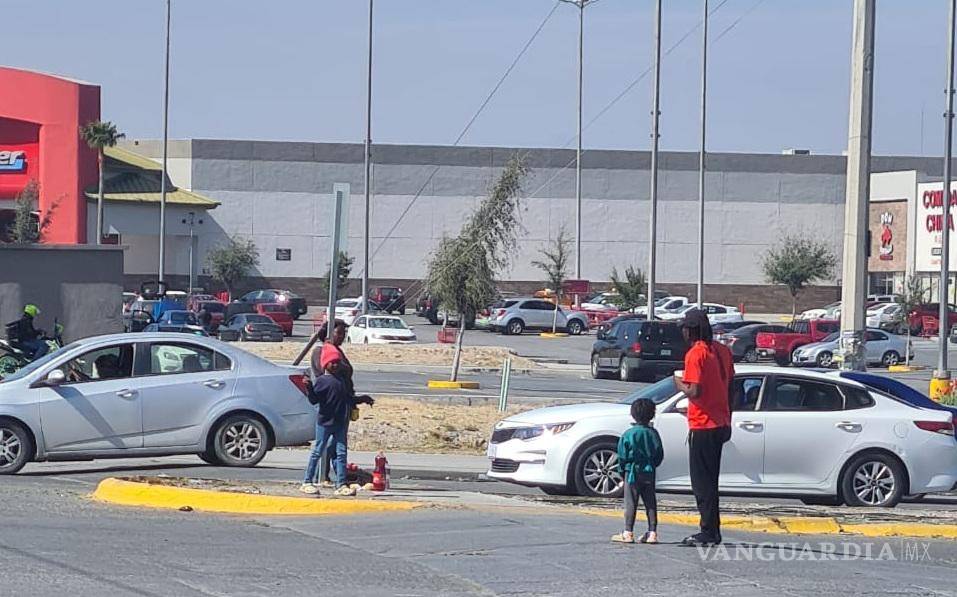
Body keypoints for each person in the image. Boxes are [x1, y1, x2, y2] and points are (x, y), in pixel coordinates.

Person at [673, 308, 733, 547]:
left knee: (702, 483)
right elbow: (731, 387)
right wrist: (729, 418)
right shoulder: (722, 351)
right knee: (712, 481)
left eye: (685, 328)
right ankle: (712, 529)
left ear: (691, 330)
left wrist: (677, 383)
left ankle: (708, 530)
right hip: (720, 422)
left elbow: (694, 391)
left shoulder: (695, 354)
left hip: (703, 424)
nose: (684, 333)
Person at [300, 347, 373, 496]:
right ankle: (307, 481)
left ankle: (341, 484)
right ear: (325, 364)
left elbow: (348, 399)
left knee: (341, 453)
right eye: (332, 362)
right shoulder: (322, 381)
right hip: (325, 423)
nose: (335, 365)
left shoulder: (341, 381)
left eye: (337, 362)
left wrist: (363, 399)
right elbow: (314, 400)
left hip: (340, 423)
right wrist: (309, 387)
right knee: (317, 451)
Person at [611, 398, 663, 544]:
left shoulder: (628, 434)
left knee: (630, 502)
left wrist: (622, 470)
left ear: (633, 414)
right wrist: (652, 464)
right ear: (652, 414)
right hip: (649, 471)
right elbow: (659, 454)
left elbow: (622, 455)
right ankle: (652, 532)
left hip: (632, 472)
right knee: (650, 502)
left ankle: (628, 532)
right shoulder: (653, 433)